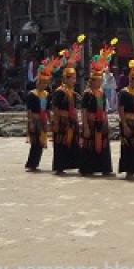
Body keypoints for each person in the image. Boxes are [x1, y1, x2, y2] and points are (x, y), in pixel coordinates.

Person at [79, 39, 116, 176]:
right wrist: (86, 126)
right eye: (98, 80)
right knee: (90, 145)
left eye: (101, 80)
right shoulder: (87, 94)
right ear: (92, 80)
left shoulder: (101, 93)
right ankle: (88, 168)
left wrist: (106, 122)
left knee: (103, 145)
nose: (100, 82)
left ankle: (104, 168)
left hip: (101, 121)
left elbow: (104, 109)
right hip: (91, 122)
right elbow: (84, 111)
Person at [51, 36, 84, 175]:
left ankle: (74, 164)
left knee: (74, 143)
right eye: (72, 78)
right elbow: (55, 109)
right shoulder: (59, 92)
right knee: (61, 144)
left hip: (72, 121)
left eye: (75, 78)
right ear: (65, 78)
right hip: (62, 122)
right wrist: (60, 119)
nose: (74, 81)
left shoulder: (73, 93)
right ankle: (59, 167)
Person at [25, 56, 59, 171]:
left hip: (43, 119)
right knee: (35, 143)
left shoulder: (47, 94)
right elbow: (29, 110)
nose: (43, 85)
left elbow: (48, 109)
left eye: (45, 83)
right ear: (37, 82)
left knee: (41, 142)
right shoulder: (31, 94)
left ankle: (35, 163)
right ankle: (31, 164)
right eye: (41, 82)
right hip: (35, 120)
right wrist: (30, 123)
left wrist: (51, 121)